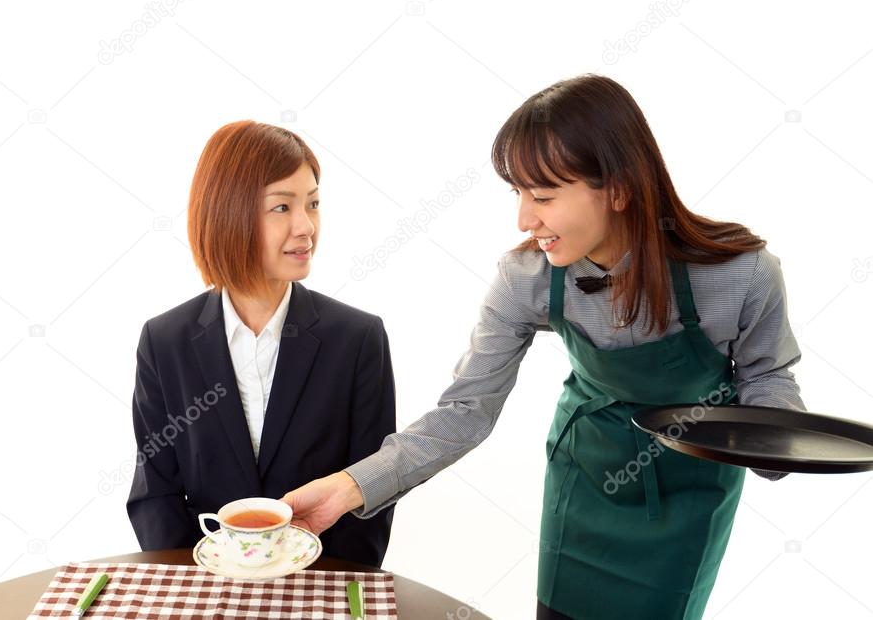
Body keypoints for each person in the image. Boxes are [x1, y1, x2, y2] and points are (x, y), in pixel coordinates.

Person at [280, 75, 805, 619]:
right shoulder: (526, 278)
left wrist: (777, 444)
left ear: (619, 189)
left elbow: (768, 377)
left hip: (688, 488)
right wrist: (347, 487)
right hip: (583, 480)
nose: (525, 219)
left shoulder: (743, 275)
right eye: (519, 194)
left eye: (544, 196)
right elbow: (464, 411)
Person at [127, 120, 396, 567]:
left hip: (319, 590)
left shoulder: (358, 339)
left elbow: (371, 491)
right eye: (281, 207)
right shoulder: (165, 341)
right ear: (229, 212)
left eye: (312, 204)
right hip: (205, 587)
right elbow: (156, 493)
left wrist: (321, 591)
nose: (305, 226)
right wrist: (197, 585)